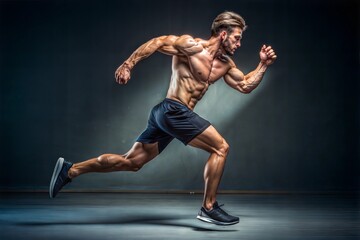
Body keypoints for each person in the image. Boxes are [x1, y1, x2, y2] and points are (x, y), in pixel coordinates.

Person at [49, 11, 277, 225]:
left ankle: (70, 170)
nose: (239, 44)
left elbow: (245, 85)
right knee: (221, 148)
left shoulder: (226, 65)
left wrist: (263, 65)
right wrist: (128, 64)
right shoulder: (191, 46)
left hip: (166, 116)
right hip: (172, 109)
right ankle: (208, 207)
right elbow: (158, 42)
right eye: (237, 38)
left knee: (132, 162)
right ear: (223, 34)